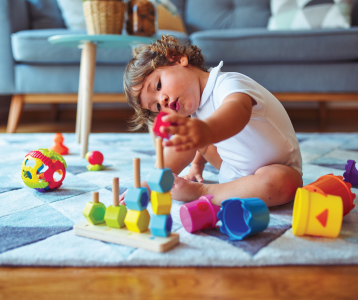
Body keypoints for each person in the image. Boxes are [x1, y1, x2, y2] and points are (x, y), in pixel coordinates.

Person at [122, 35, 303, 207]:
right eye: (157, 107)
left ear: (178, 59)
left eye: (158, 86)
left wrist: (205, 131)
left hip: (277, 168)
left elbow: (238, 111)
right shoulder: (196, 113)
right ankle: (157, 178)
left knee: (282, 182)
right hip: (233, 172)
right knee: (187, 137)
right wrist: (153, 181)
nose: (163, 101)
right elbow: (187, 147)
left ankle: (203, 192)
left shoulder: (228, 83)